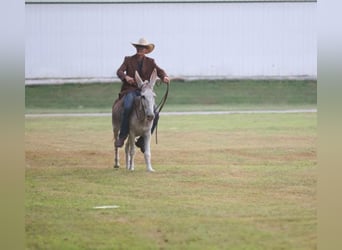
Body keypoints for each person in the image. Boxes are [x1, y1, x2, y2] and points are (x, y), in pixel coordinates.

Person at [115, 38, 170, 151]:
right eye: (139, 47)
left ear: (146, 50)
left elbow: (160, 71)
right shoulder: (128, 60)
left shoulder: (151, 62)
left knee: (155, 114)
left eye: (143, 48)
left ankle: (142, 141)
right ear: (136, 48)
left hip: (145, 91)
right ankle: (122, 135)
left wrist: (164, 76)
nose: (141, 49)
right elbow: (119, 71)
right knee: (128, 106)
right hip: (131, 90)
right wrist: (126, 77)